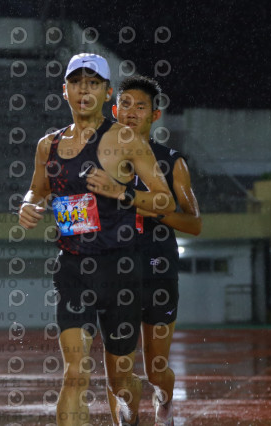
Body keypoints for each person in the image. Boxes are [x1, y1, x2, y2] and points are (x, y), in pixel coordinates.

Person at [19, 54, 176, 426]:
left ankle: (133, 399)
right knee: (75, 372)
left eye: (93, 83)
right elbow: (36, 190)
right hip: (73, 268)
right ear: (65, 91)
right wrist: (27, 205)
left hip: (120, 271)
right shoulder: (47, 145)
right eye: (76, 82)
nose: (84, 90)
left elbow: (165, 201)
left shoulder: (125, 139)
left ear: (107, 93)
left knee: (120, 380)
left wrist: (121, 192)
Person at [106, 75, 202, 425]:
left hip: (159, 273)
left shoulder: (171, 162)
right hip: (114, 274)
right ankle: (127, 417)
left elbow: (194, 224)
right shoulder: (97, 161)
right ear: (114, 111)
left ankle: (164, 395)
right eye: (125, 104)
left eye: (141, 106)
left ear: (155, 115)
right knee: (118, 371)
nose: (132, 112)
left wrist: (153, 210)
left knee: (155, 369)